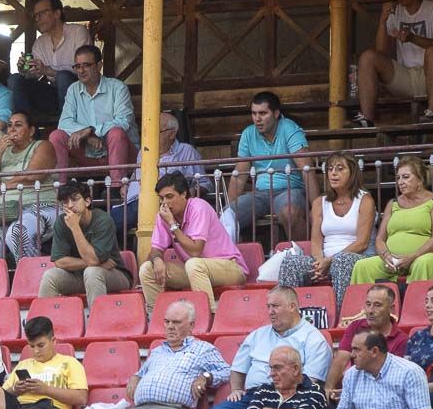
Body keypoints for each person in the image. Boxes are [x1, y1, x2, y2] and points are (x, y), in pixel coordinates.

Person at [205, 285, 332, 409]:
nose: (270, 311)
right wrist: (237, 389)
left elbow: (311, 382)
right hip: (253, 397)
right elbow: (238, 369)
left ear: (293, 306)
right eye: (268, 306)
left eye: (276, 306)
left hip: (290, 397)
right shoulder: (257, 335)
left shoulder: (314, 339)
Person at [96, 300, 228, 409]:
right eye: (167, 322)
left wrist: (206, 377)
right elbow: (142, 373)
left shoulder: (203, 349)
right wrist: (136, 377)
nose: (170, 326)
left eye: (176, 322)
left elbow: (227, 371)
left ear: (191, 325)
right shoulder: (157, 351)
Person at [351, 0, 433, 128]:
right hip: (405, 78)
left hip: (432, 76)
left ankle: (432, 113)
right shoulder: (395, 11)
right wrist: (383, 21)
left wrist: (412, 38)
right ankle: (367, 118)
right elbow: (382, 52)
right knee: (368, 57)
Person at [138, 171, 249, 317]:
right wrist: (157, 259)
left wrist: (172, 224)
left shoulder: (198, 207)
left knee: (194, 263)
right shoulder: (163, 216)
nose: (165, 203)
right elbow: (155, 249)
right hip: (196, 271)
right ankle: (157, 319)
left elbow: (196, 250)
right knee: (147, 269)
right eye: (161, 198)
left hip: (230, 267)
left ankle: (208, 317)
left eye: (169, 196)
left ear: (184, 194)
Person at [277, 151, 376, 311]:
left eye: (340, 169)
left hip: (355, 259)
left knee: (341, 262)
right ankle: (288, 315)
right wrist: (319, 263)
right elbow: (316, 240)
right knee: (291, 263)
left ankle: (339, 315)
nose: (333, 173)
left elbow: (362, 243)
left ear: (352, 173)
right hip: (324, 261)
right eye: (330, 169)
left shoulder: (365, 200)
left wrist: (330, 260)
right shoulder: (319, 202)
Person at [0, 110, 58, 262]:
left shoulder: (43, 145)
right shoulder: (4, 152)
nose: (11, 129)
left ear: (31, 131)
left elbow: (34, 174)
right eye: (9, 126)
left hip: (39, 205)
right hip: (5, 211)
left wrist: (7, 185)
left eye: (18, 125)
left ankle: (31, 279)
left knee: (16, 234)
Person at [227, 91, 313, 239]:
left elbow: (307, 170)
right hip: (260, 194)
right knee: (227, 218)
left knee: (289, 213)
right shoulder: (248, 134)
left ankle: (304, 257)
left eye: (262, 113)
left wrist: (317, 206)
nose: (257, 119)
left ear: (276, 113)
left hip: (290, 190)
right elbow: (239, 177)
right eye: (254, 114)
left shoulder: (289, 128)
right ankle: (233, 259)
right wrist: (228, 209)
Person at [351, 157, 433, 284]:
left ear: (420, 179)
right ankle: (365, 304)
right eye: (398, 178)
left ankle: (415, 303)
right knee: (362, 266)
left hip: (425, 257)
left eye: (406, 177)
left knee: (424, 263)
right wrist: (386, 256)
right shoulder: (393, 203)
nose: (401, 182)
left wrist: (411, 257)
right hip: (393, 261)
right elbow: (380, 239)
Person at [110, 112, 208, 237]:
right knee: (105, 221)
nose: (149, 136)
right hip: (132, 203)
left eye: (155, 131)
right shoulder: (143, 152)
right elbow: (137, 175)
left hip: (160, 202)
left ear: (172, 133)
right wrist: (127, 185)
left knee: (109, 221)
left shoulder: (186, 151)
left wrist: (191, 191)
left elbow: (206, 183)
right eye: (147, 131)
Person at [49, 44, 136, 183]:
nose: (81, 71)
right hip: (87, 155)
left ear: (99, 65)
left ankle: (116, 187)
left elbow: (124, 121)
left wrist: (92, 130)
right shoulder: (73, 89)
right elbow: (64, 123)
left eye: (86, 65)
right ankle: (61, 188)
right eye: (77, 66)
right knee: (56, 136)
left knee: (116, 133)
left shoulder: (117, 87)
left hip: (120, 155)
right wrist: (88, 135)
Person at [37, 179, 130, 303]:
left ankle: (97, 321)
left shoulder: (103, 220)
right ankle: (44, 321)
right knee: (50, 276)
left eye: (75, 199)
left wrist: (75, 228)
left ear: (87, 201)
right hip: (80, 275)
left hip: (113, 273)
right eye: (65, 202)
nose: (70, 205)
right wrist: (94, 263)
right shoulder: (61, 221)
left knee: (92, 272)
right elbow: (60, 262)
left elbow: (93, 260)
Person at [8, 0, 91, 115]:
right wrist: (25, 69)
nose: (38, 19)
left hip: (80, 92)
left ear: (57, 13)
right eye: (36, 15)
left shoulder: (78, 32)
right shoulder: (40, 42)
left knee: (63, 77)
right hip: (52, 93)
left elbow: (84, 69)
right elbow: (36, 74)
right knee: (15, 79)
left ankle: (66, 127)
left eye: (42, 13)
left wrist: (49, 70)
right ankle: (26, 129)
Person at [327, 285, 409, 398]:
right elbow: (341, 360)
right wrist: (328, 389)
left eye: (377, 305)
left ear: (391, 308)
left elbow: (391, 379)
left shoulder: (401, 339)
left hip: (383, 396)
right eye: (368, 304)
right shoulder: (355, 326)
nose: (370, 311)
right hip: (353, 389)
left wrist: (355, 393)